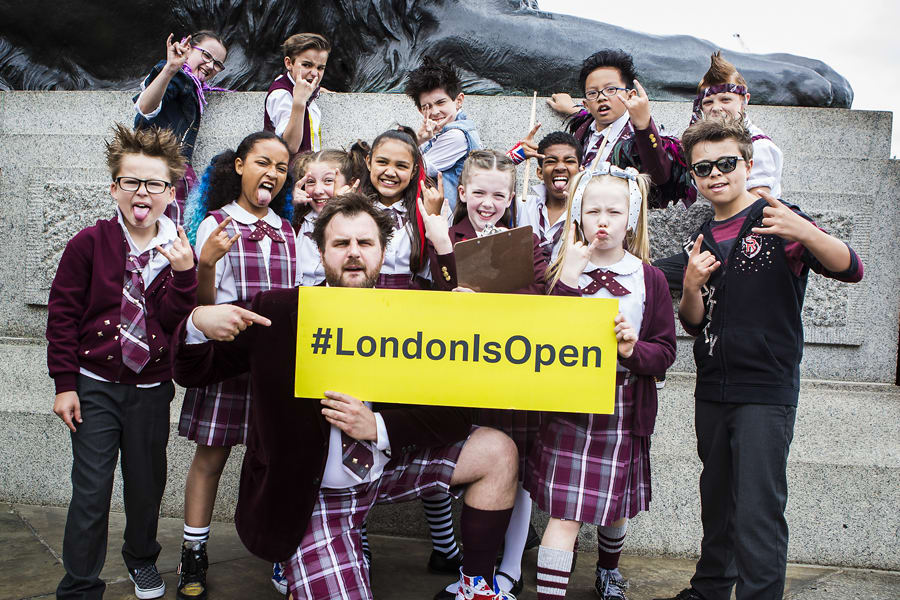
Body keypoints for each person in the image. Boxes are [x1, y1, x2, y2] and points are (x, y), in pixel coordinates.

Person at [172, 192, 520, 600]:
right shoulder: (279, 312)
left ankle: (473, 585)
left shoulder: (412, 314)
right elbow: (193, 373)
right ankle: (300, 556)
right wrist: (197, 322)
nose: (354, 253)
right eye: (341, 244)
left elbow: (456, 415)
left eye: (365, 243)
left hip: (387, 468)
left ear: (382, 251)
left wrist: (378, 426)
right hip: (314, 494)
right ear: (321, 253)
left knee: (498, 450)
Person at [655, 117, 863, 600]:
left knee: (756, 509)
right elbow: (692, 322)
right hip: (713, 388)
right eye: (702, 167)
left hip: (765, 391)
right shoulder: (701, 238)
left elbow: (851, 267)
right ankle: (709, 589)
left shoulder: (779, 220)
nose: (716, 174)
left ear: (748, 165)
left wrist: (806, 232)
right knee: (718, 501)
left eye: (727, 163)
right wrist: (689, 286)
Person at [420, 150, 580, 598]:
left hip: (510, 371)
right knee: (477, 463)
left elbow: (537, 294)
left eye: (498, 194)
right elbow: (439, 289)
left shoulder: (526, 241)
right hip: (460, 371)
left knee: (520, 467)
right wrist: (447, 253)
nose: (487, 202)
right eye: (479, 193)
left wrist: (488, 298)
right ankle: (476, 569)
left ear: (511, 197)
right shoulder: (444, 234)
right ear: (464, 191)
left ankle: (509, 570)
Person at [47, 124, 198, 599]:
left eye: (154, 184)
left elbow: (175, 320)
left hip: (150, 390)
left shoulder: (176, 249)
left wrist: (185, 275)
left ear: (169, 193)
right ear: (114, 187)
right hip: (93, 387)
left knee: (145, 485)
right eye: (131, 181)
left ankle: (141, 558)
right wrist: (65, 384)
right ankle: (80, 584)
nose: (142, 192)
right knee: (90, 492)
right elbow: (64, 315)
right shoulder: (89, 243)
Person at [524, 162, 676, 599]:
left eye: (614, 211)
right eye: (593, 212)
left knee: (615, 506)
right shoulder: (559, 270)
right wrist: (571, 274)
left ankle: (608, 570)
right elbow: (544, 336)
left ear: (631, 217)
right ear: (577, 215)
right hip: (569, 404)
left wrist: (632, 350)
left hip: (624, 405)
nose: (603, 221)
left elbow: (665, 349)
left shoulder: (649, 278)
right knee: (566, 513)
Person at [177, 131, 297, 600]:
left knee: (280, 461)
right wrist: (206, 267)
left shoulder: (290, 233)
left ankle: (283, 554)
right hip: (228, 362)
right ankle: (193, 552)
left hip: (275, 369)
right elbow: (203, 308)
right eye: (263, 162)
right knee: (211, 456)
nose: (271, 173)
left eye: (281, 167)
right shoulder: (215, 224)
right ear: (241, 166)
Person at [134, 31, 228, 227]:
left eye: (217, 64)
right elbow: (145, 108)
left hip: (176, 170)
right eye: (206, 55)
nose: (210, 65)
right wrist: (170, 69)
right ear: (188, 47)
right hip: (156, 167)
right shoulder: (176, 76)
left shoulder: (192, 86)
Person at [544, 49, 670, 185]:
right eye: (593, 93)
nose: (602, 97)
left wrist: (644, 126)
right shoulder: (585, 127)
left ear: (631, 95)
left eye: (611, 90)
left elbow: (660, 177)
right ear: (586, 104)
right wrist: (571, 108)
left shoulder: (638, 134)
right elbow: (585, 114)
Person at [405, 57, 483, 211]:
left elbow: (409, 169)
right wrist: (420, 139)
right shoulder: (437, 132)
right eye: (427, 107)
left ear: (459, 100)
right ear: (420, 110)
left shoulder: (457, 135)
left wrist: (417, 142)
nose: (435, 112)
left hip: (450, 219)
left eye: (441, 103)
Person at [359, 128, 433, 290]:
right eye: (382, 162)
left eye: (401, 166)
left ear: (413, 171)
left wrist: (433, 220)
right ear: (368, 162)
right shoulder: (353, 210)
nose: (390, 172)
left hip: (412, 305)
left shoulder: (427, 210)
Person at [508, 128, 585, 260]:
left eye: (569, 161)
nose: (560, 167)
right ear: (539, 172)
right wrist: (512, 157)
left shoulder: (588, 213)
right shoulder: (522, 206)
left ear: (581, 171)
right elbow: (482, 187)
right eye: (551, 161)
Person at [290, 148, 363, 285]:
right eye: (310, 182)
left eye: (328, 181)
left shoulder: (359, 221)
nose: (318, 191)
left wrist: (340, 208)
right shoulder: (296, 223)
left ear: (350, 185)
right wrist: (288, 201)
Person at [263, 33, 331, 156]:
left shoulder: (307, 88)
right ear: (289, 63)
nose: (315, 73)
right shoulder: (282, 94)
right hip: (290, 170)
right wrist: (299, 102)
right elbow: (290, 146)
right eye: (306, 65)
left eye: (320, 68)